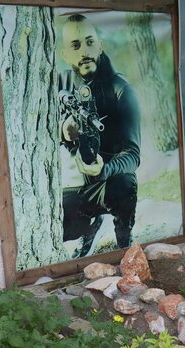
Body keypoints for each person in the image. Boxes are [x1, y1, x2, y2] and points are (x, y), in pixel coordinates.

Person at [57, 14, 141, 258]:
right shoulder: (59, 83)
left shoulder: (120, 89)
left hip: (105, 182)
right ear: (65, 54)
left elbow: (133, 155)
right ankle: (89, 230)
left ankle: (124, 243)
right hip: (73, 187)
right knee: (55, 223)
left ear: (100, 44)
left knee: (125, 183)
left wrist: (105, 168)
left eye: (89, 41)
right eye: (75, 45)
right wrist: (64, 130)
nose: (84, 51)